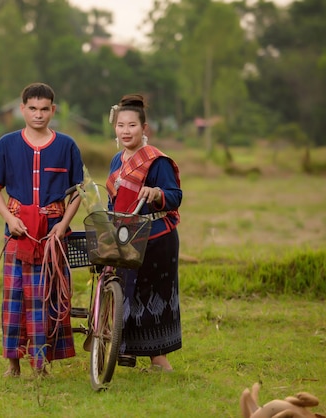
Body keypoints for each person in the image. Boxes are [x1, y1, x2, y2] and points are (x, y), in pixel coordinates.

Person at [0, 82, 84, 377]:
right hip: (18, 231)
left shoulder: (66, 145)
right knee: (14, 298)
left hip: (53, 233)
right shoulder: (6, 144)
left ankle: (41, 365)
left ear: (53, 110)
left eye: (44, 109)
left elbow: (77, 192)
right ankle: (13, 363)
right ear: (22, 109)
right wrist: (9, 218)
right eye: (32, 109)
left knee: (47, 297)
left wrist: (63, 224)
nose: (38, 115)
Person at [105, 94, 182, 371]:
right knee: (127, 292)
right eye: (121, 125)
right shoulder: (117, 160)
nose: (126, 131)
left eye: (132, 126)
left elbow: (175, 196)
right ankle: (125, 351)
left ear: (144, 128)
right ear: (115, 128)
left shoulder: (156, 161)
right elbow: (113, 200)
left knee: (152, 295)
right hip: (126, 237)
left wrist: (157, 192)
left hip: (156, 237)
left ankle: (159, 360)